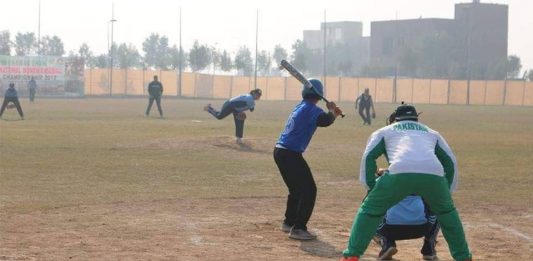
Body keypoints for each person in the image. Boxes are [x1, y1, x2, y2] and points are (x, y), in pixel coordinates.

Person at [340, 103, 472, 261]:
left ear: (395, 119)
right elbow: (450, 162)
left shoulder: (384, 131)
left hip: (398, 172)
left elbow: (369, 157)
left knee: (369, 211)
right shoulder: (432, 133)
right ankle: (463, 257)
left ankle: (352, 255)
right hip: (433, 176)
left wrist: (371, 188)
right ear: (416, 118)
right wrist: (446, 192)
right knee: (447, 214)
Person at [274, 79, 343, 240]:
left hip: (280, 152)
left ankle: (289, 222)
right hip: (290, 154)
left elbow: (323, 118)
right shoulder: (311, 109)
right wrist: (332, 111)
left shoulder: (301, 106)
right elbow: (325, 121)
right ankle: (298, 228)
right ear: (320, 94)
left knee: (296, 190)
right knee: (309, 190)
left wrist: (331, 112)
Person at [372, 167, 441, 261]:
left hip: (390, 229)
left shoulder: (384, 179)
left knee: (368, 217)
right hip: (421, 229)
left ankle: (387, 244)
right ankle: (429, 250)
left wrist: (382, 172)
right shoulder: (423, 178)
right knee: (438, 211)